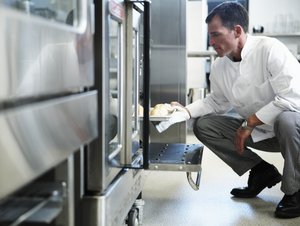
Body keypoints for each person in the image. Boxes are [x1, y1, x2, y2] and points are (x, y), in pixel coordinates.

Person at [157, 1, 300, 219]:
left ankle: (295, 191)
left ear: (237, 30)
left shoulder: (270, 50)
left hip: (290, 131)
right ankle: (261, 172)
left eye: (216, 35)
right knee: (204, 125)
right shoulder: (220, 66)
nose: (211, 42)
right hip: (258, 132)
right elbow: (216, 102)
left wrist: (249, 122)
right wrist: (184, 112)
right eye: (210, 36)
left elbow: (292, 97)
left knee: (287, 120)